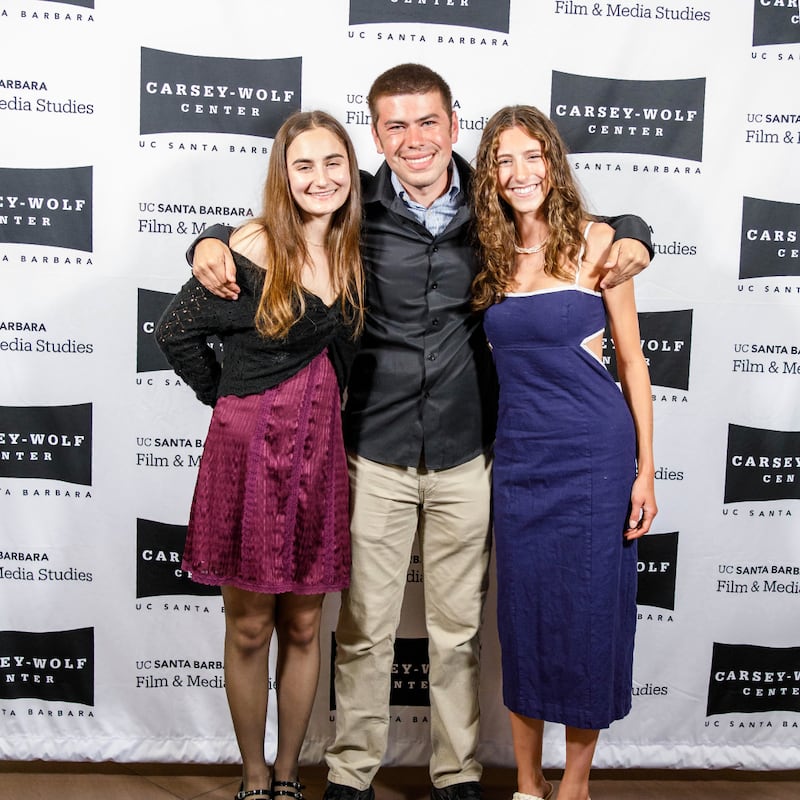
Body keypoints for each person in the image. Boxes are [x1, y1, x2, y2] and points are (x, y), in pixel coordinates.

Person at [188, 64, 653, 800]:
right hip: (372, 448)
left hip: (471, 451)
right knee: (365, 630)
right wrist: (208, 240)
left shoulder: (491, 204)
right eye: (395, 125)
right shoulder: (351, 211)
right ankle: (350, 772)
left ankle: (458, 771)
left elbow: (568, 217)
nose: (413, 139)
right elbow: (273, 225)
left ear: (454, 124)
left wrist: (635, 231)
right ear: (374, 134)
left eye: (427, 121)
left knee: (458, 634)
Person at [156, 110, 364, 800]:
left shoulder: (357, 248)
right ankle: (251, 777)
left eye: (333, 162)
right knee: (249, 626)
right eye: (302, 164)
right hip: (248, 451)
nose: (320, 177)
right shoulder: (248, 244)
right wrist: (228, 397)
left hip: (321, 453)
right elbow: (175, 330)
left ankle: (287, 777)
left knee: (305, 624)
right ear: (283, 173)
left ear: (351, 170)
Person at [471, 105, 657, 800]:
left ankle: (574, 785)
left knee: (586, 616)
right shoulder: (488, 256)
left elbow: (634, 364)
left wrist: (646, 471)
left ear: (553, 160)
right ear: (489, 173)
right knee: (522, 621)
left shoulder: (601, 242)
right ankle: (527, 782)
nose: (520, 173)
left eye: (532, 156)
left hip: (593, 457)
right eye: (502, 160)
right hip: (519, 461)